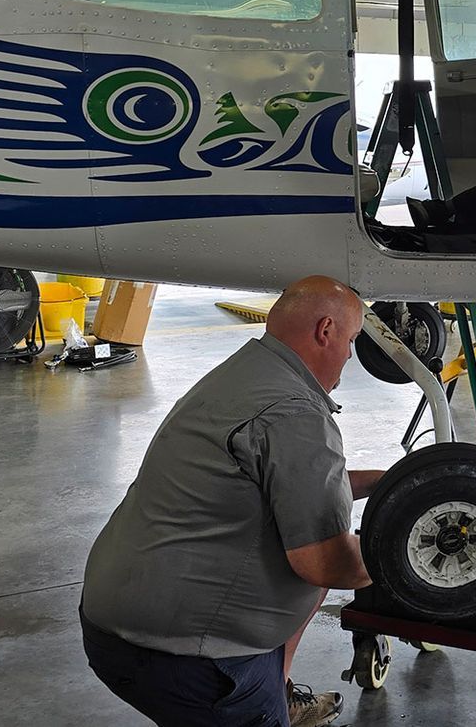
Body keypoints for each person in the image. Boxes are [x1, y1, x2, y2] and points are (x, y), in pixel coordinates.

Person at [80, 276, 385, 726]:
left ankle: (278, 693)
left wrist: (387, 482)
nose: (350, 356)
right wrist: (405, 564)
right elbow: (329, 563)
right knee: (319, 549)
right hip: (186, 661)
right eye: (352, 341)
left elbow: (297, 487)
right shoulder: (295, 412)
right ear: (326, 331)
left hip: (115, 618)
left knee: (312, 532)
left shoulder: (248, 373)